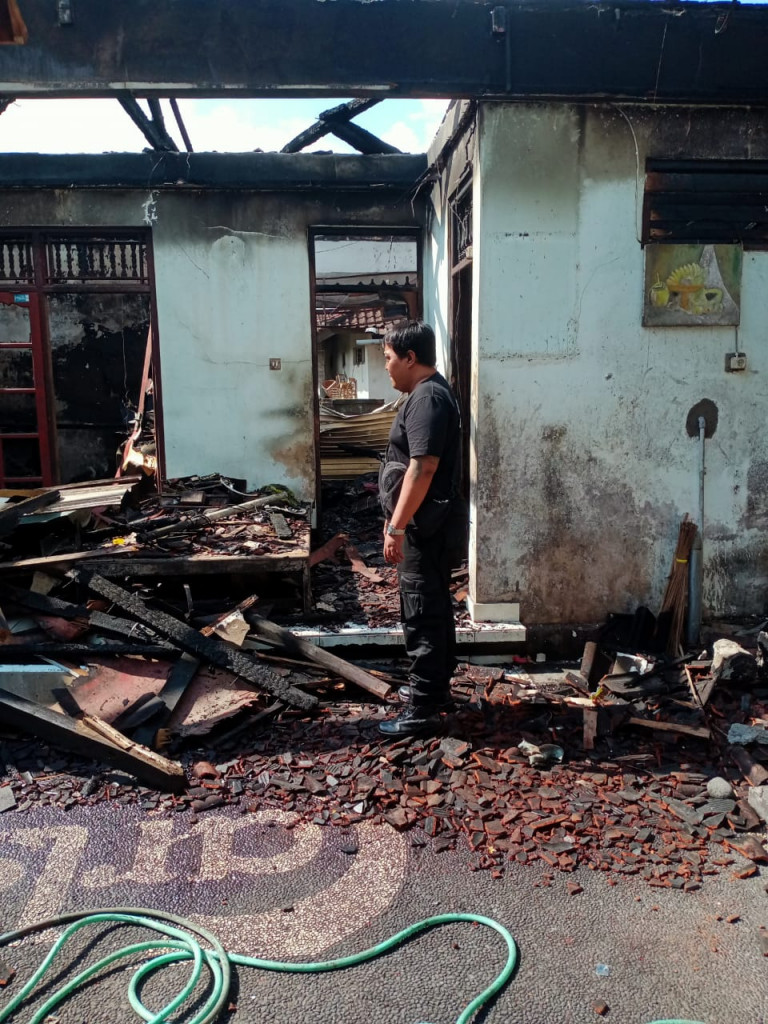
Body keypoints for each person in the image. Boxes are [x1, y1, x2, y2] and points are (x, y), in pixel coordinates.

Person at [377, 320, 467, 738]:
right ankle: (438, 693)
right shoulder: (428, 393)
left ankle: (423, 709)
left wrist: (395, 528)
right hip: (428, 524)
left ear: (411, 358)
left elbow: (423, 466)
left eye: (390, 359)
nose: (387, 368)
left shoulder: (428, 398)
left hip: (425, 528)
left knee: (422, 612)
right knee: (432, 605)